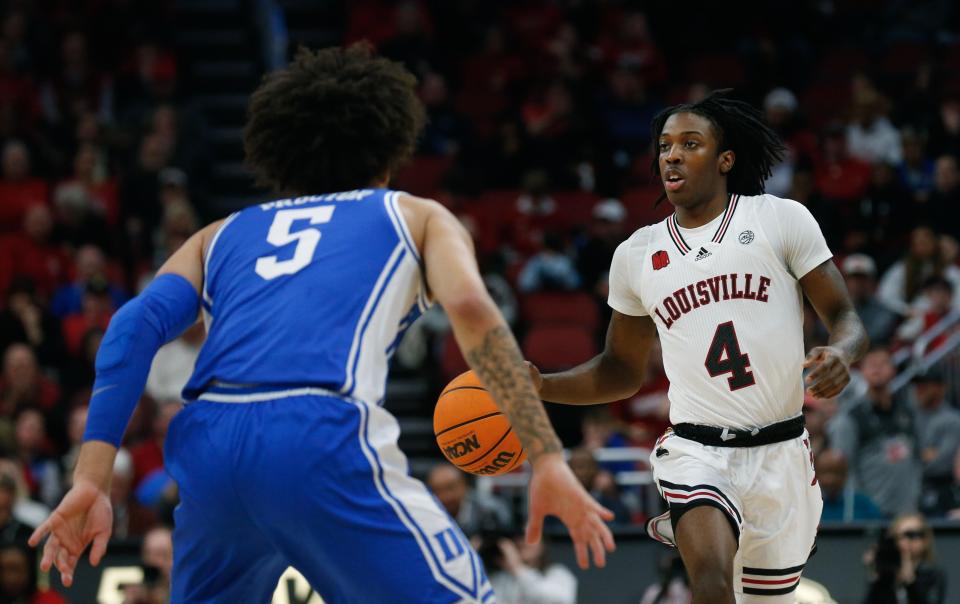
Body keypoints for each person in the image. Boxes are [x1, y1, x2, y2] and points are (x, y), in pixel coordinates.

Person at [28, 45, 614, 603]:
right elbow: (473, 312)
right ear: (390, 144)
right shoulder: (415, 215)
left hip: (208, 442)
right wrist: (547, 456)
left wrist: (90, 478)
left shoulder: (222, 232)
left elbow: (131, 330)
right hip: (314, 429)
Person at [528, 91, 868, 603]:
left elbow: (845, 317)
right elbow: (620, 371)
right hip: (696, 450)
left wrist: (842, 352)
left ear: (725, 159)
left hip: (782, 454)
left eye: (690, 143)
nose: (672, 155)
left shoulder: (780, 219)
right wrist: (540, 386)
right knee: (708, 580)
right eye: (665, 146)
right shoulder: (637, 254)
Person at [828, 347, 921, 517]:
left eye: (883, 363)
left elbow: (917, 458)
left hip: (907, 511)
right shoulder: (851, 418)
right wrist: (859, 510)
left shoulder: (907, 412)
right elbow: (845, 470)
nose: (877, 369)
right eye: (871, 364)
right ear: (861, 371)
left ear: (893, 370)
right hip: (871, 513)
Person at [862, 513, 946, 604]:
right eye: (897, 537)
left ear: (925, 540)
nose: (904, 541)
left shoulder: (932, 574)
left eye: (912, 535)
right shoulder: (887, 573)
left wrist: (910, 582)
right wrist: (876, 577)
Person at [487, 534, 577, 604]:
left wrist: (518, 569)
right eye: (519, 537)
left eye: (531, 537)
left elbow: (558, 600)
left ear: (543, 544)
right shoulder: (500, 578)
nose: (524, 542)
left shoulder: (558, 574)